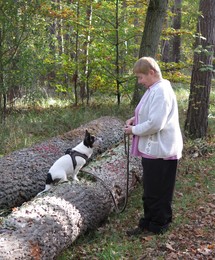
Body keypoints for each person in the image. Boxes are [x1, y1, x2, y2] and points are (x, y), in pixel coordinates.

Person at [124, 57, 183, 236]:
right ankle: (148, 222)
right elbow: (150, 113)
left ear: (152, 72)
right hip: (154, 149)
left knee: (159, 191)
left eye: (141, 77)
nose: (140, 81)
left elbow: (156, 123)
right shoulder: (154, 89)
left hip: (162, 150)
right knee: (151, 189)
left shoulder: (162, 91)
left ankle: (159, 225)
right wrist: (136, 119)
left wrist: (133, 129)